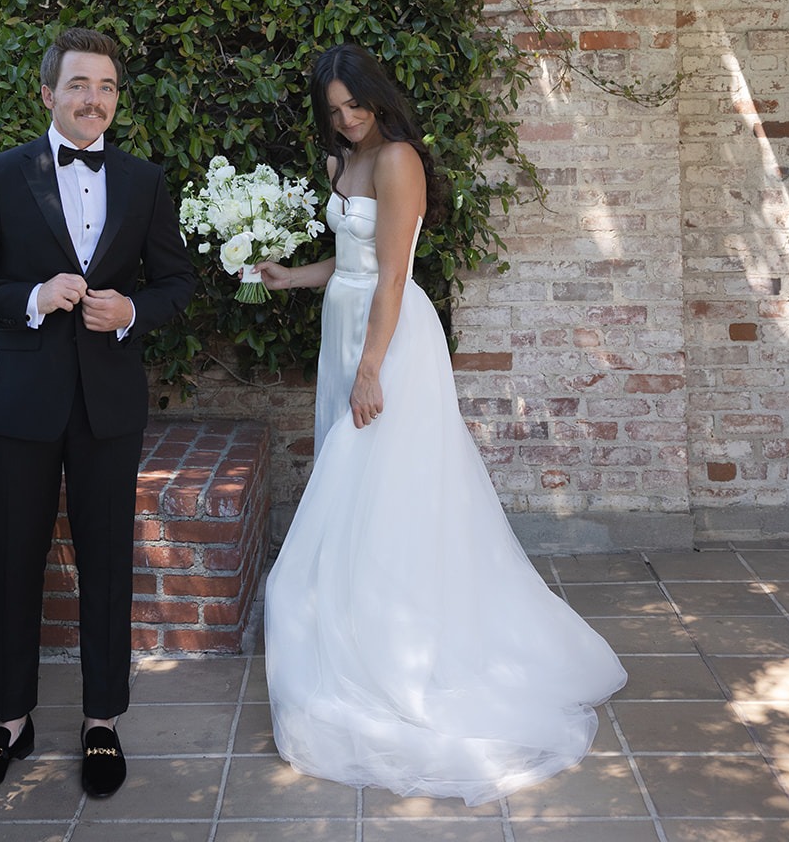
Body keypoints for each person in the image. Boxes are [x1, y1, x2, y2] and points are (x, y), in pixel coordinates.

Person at [258, 42, 627, 804]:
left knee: (383, 483)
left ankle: (405, 641)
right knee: (357, 486)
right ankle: (363, 619)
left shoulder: (398, 162)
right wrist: (289, 275)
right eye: (333, 111)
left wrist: (370, 367)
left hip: (388, 338)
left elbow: (393, 273)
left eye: (355, 104)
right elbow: (351, 259)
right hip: (345, 326)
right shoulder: (339, 165)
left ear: (377, 96)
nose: (348, 119)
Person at [0, 26, 196, 801]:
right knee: (14, 559)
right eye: (80, 85)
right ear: (48, 93)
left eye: (108, 87)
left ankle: (101, 722)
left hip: (107, 405)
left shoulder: (145, 180)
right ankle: (9, 721)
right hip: (18, 404)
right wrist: (31, 299)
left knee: (108, 562)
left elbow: (176, 284)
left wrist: (130, 312)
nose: (94, 100)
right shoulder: (0, 175)